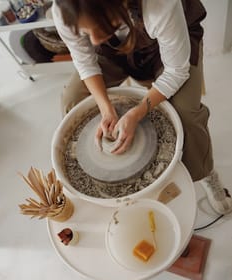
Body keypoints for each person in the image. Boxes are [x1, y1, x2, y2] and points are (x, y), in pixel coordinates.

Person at [52, 0, 232, 215]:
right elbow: (85, 62)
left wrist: (137, 112)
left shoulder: (159, 4)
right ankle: (109, 171)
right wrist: (106, 108)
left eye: (100, 27)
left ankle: (205, 172)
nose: (93, 39)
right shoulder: (64, 11)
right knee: (73, 99)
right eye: (85, 31)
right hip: (114, 51)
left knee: (186, 113)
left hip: (168, 48)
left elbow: (176, 71)